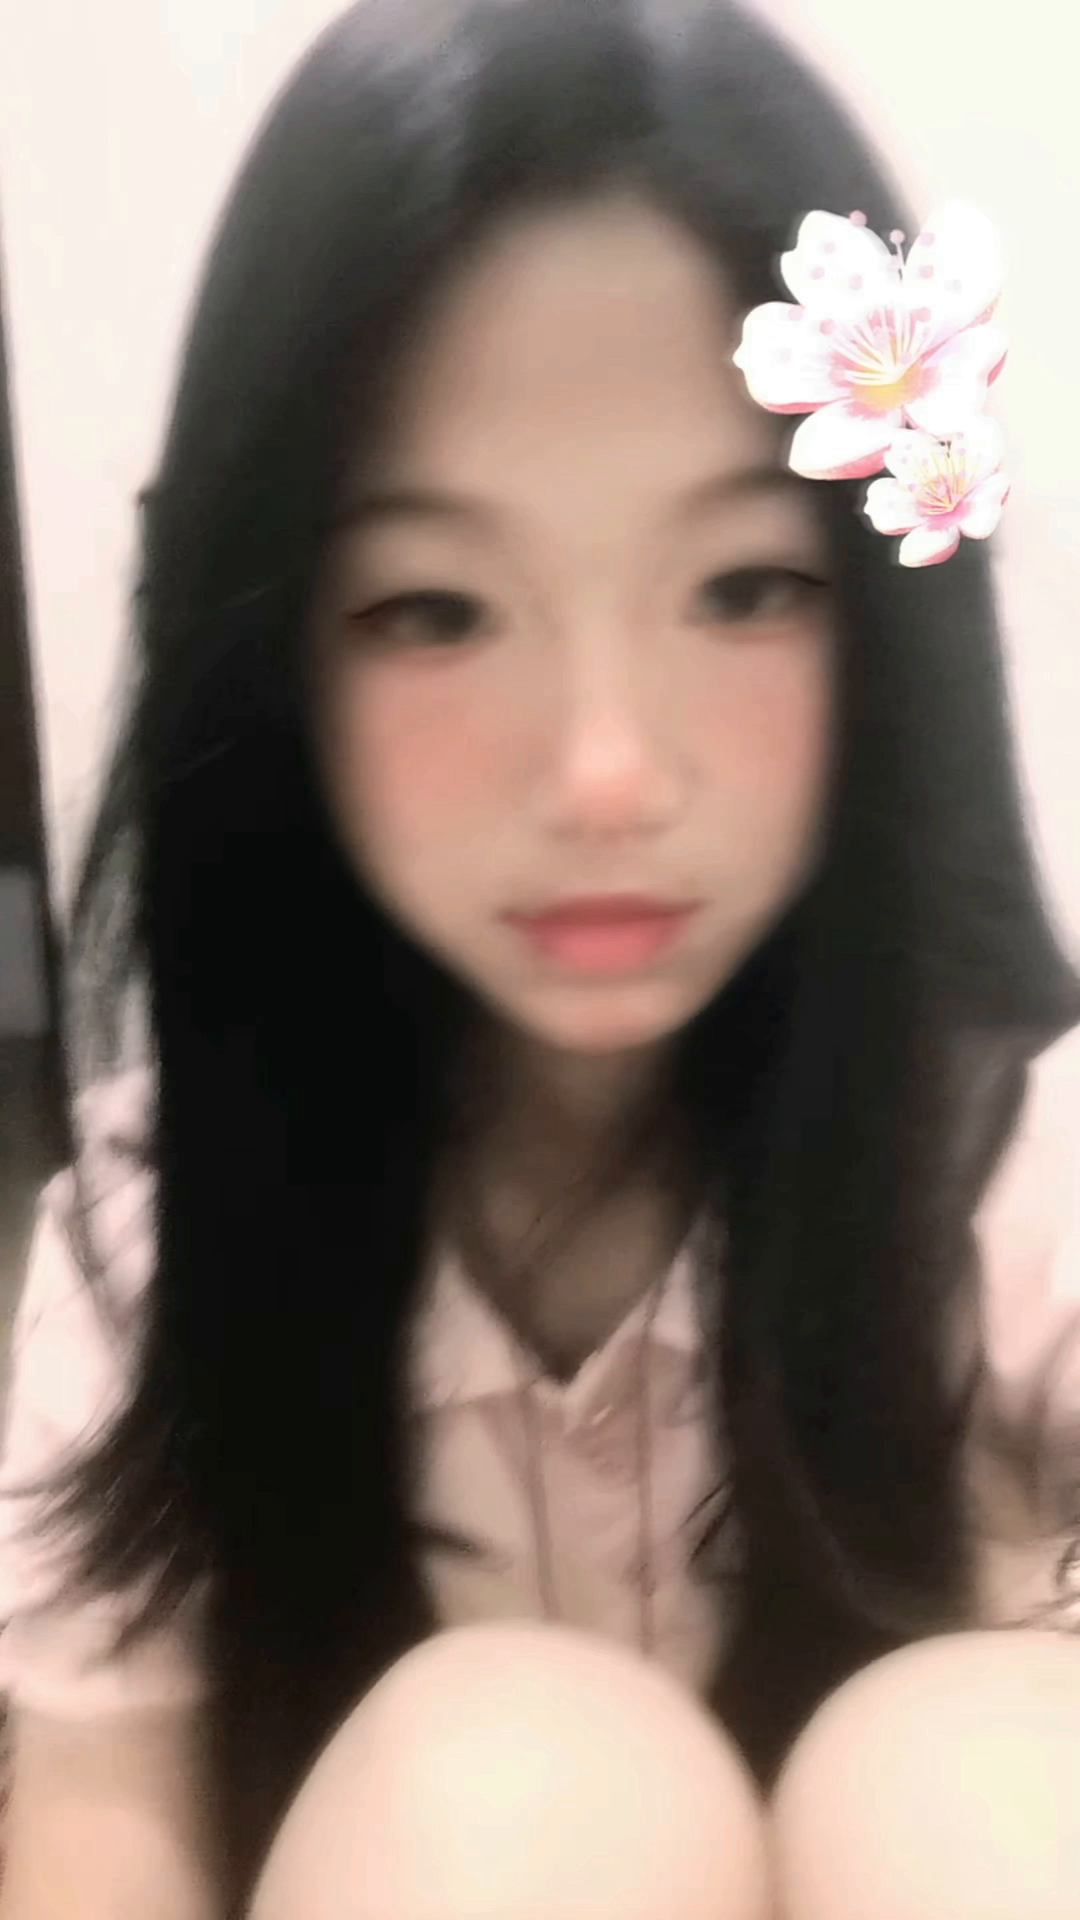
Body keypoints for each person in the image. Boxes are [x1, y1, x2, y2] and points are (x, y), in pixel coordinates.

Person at [0, 0, 1078, 1915]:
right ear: (273, 652)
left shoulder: (1021, 1187)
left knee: (953, 1758)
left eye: (745, 585)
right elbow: (101, 1825)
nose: (605, 773)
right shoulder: (155, 1257)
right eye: (433, 607)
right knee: (512, 1778)